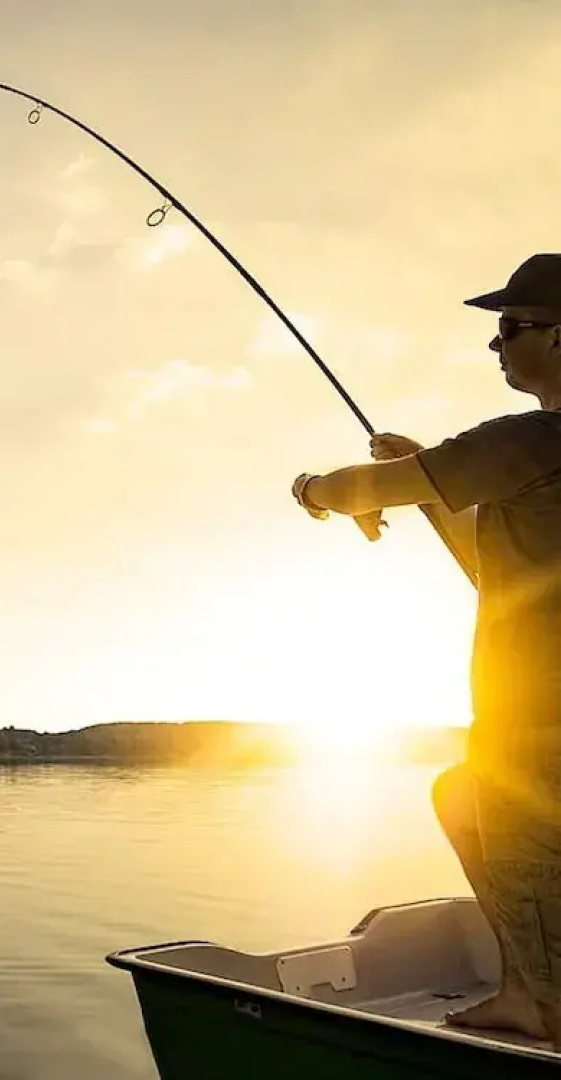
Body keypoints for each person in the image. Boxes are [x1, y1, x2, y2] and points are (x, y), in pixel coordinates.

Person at [291, 252, 561, 1047]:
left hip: (538, 709)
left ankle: (541, 1004)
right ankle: (530, 982)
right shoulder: (530, 460)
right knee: (459, 794)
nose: (498, 346)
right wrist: (427, 480)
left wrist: (311, 489)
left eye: (513, 328)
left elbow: (353, 492)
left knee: (508, 821)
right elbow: (489, 566)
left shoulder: (537, 437)